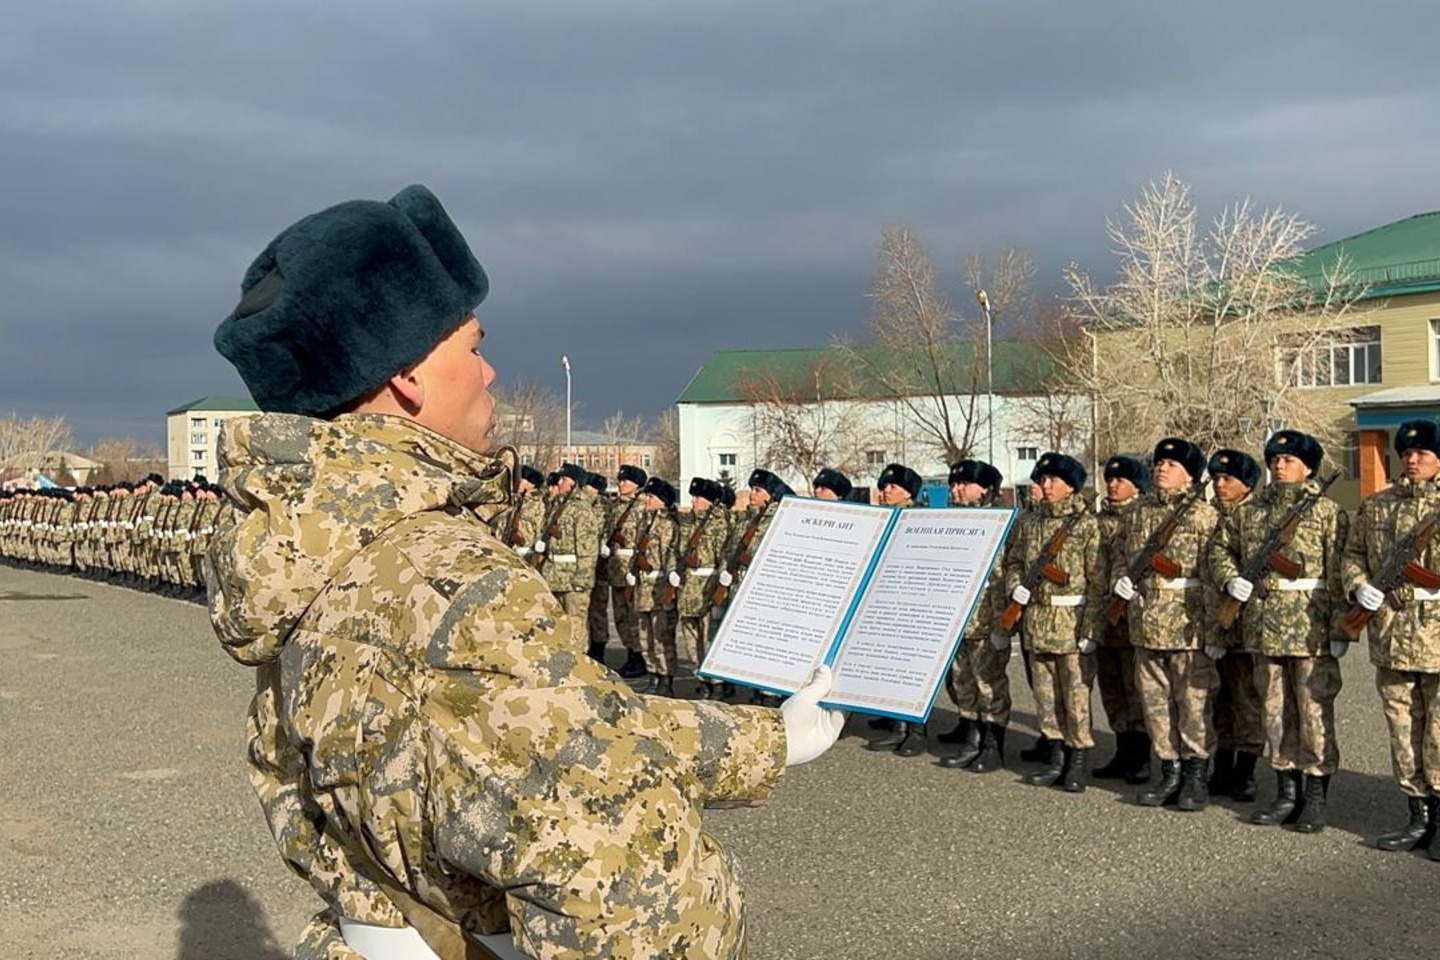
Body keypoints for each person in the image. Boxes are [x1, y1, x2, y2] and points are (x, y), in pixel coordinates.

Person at [207, 184, 844, 959]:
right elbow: (624, 880)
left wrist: (767, 740)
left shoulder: (318, 562)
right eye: (472, 347)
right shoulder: (451, 580)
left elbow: (542, 725)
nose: (491, 373)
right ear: (409, 376)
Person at [1215, 430, 1346, 832]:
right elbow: (1219, 549)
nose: (1279, 464)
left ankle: (1315, 796)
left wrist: (1341, 626)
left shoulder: (1326, 513)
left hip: (1310, 630)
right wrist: (1229, 579)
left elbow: (1339, 570)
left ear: (1308, 466)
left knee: (1313, 714)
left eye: (1288, 459)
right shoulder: (1251, 513)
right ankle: (1286, 792)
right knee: (1274, 714)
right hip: (1264, 629)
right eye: (1274, 459)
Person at [1343, 419, 1440, 856]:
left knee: (1438, 732)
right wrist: (1357, 584)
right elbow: (1354, 553)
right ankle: (1417, 817)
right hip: (1392, 635)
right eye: (1407, 453)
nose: (1413, 459)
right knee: (1402, 730)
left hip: (1438, 637)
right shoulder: (1377, 506)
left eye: (1423, 453)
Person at [1113, 437, 1220, 811]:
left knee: (1193, 704)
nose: (1161, 468)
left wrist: (1213, 628)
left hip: (1188, 624)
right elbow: (1121, 553)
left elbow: (1215, 570)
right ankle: (1168, 771)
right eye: (1159, 463)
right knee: (1155, 705)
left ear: (1189, 475)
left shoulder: (1204, 515)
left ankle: (1195, 776)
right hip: (1146, 623)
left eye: (1171, 465)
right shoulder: (1138, 512)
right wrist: (1121, 579)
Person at [1001, 452, 1104, 792]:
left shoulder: (1087, 524)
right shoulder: (1029, 521)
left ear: (1071, 486)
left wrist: (1091, 630)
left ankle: (1077, 759)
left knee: (1075, 697)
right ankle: (1056, 755)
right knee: (1045, 696)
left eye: (1052, 480)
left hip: (1071, 623)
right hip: (1036, 621)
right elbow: (1014, 559)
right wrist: (1015, 585)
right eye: (1042, 480)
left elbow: (1098, 581)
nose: (1044, 486)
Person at [937, 459, 1013, 773]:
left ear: (984, 489)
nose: (955, 490)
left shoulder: (1001, 523)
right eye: (953, 484)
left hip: (986, 619)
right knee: (962, 681)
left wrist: (1002, 625)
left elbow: (1002, 577)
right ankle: (971, 737)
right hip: (957, 619)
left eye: (963, 484)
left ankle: (993, 745)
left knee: (989, 684)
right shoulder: (951, 521)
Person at [1200, 448, 1265, 802]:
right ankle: (1222, 766)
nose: (1220, 485)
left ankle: (1247, 771)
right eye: (1216, 479)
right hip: (1212, 623)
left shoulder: (1257, 516)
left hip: (1246, 627)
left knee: (1248, 701)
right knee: (1219, 699)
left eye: (1227, 479)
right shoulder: (1208, 517)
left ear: (1247, 484)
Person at [1092, 455, 1153, 785]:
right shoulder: (1096, 521)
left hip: (1132, 620)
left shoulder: (1142, 519)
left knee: (1136, 691)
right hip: (1104, 619)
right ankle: (1122, 750)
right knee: (1112, 690)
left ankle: (1141, 755)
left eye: (1120, 480)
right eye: (1109, 479)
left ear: (1137, 485)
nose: (1112, 485)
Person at [864, 462, 929, 757]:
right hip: (884, 603)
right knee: (889, 666)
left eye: (892, 487)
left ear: (908, 492)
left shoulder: (920, 519)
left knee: (912, 669)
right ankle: (896, 723)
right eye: (883, 487)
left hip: (912, 606)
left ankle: (915, 730)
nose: (885, 491)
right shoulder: (882, 518)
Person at [673, 477, 733, 699]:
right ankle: (701, 678)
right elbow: (676, 552)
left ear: (710, 501)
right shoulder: (688, 524)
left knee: (709, 638)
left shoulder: (719, 524)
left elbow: (725, 556)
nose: (694, 500)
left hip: (707, 589)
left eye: (699, 497)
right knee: (690, 637)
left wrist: (721, 583)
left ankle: (717, 682)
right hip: (688, 588)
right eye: (694, 496)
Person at [597, 464, 649, 678]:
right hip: (616, 568)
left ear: (637, 485)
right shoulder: (617, 505)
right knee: (620, 615)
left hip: (632, 569)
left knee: (633, 615)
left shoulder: (642, 507)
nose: (621, 484)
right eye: (620, 480)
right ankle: (631, 653)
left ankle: (639, 657)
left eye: (625, 481)